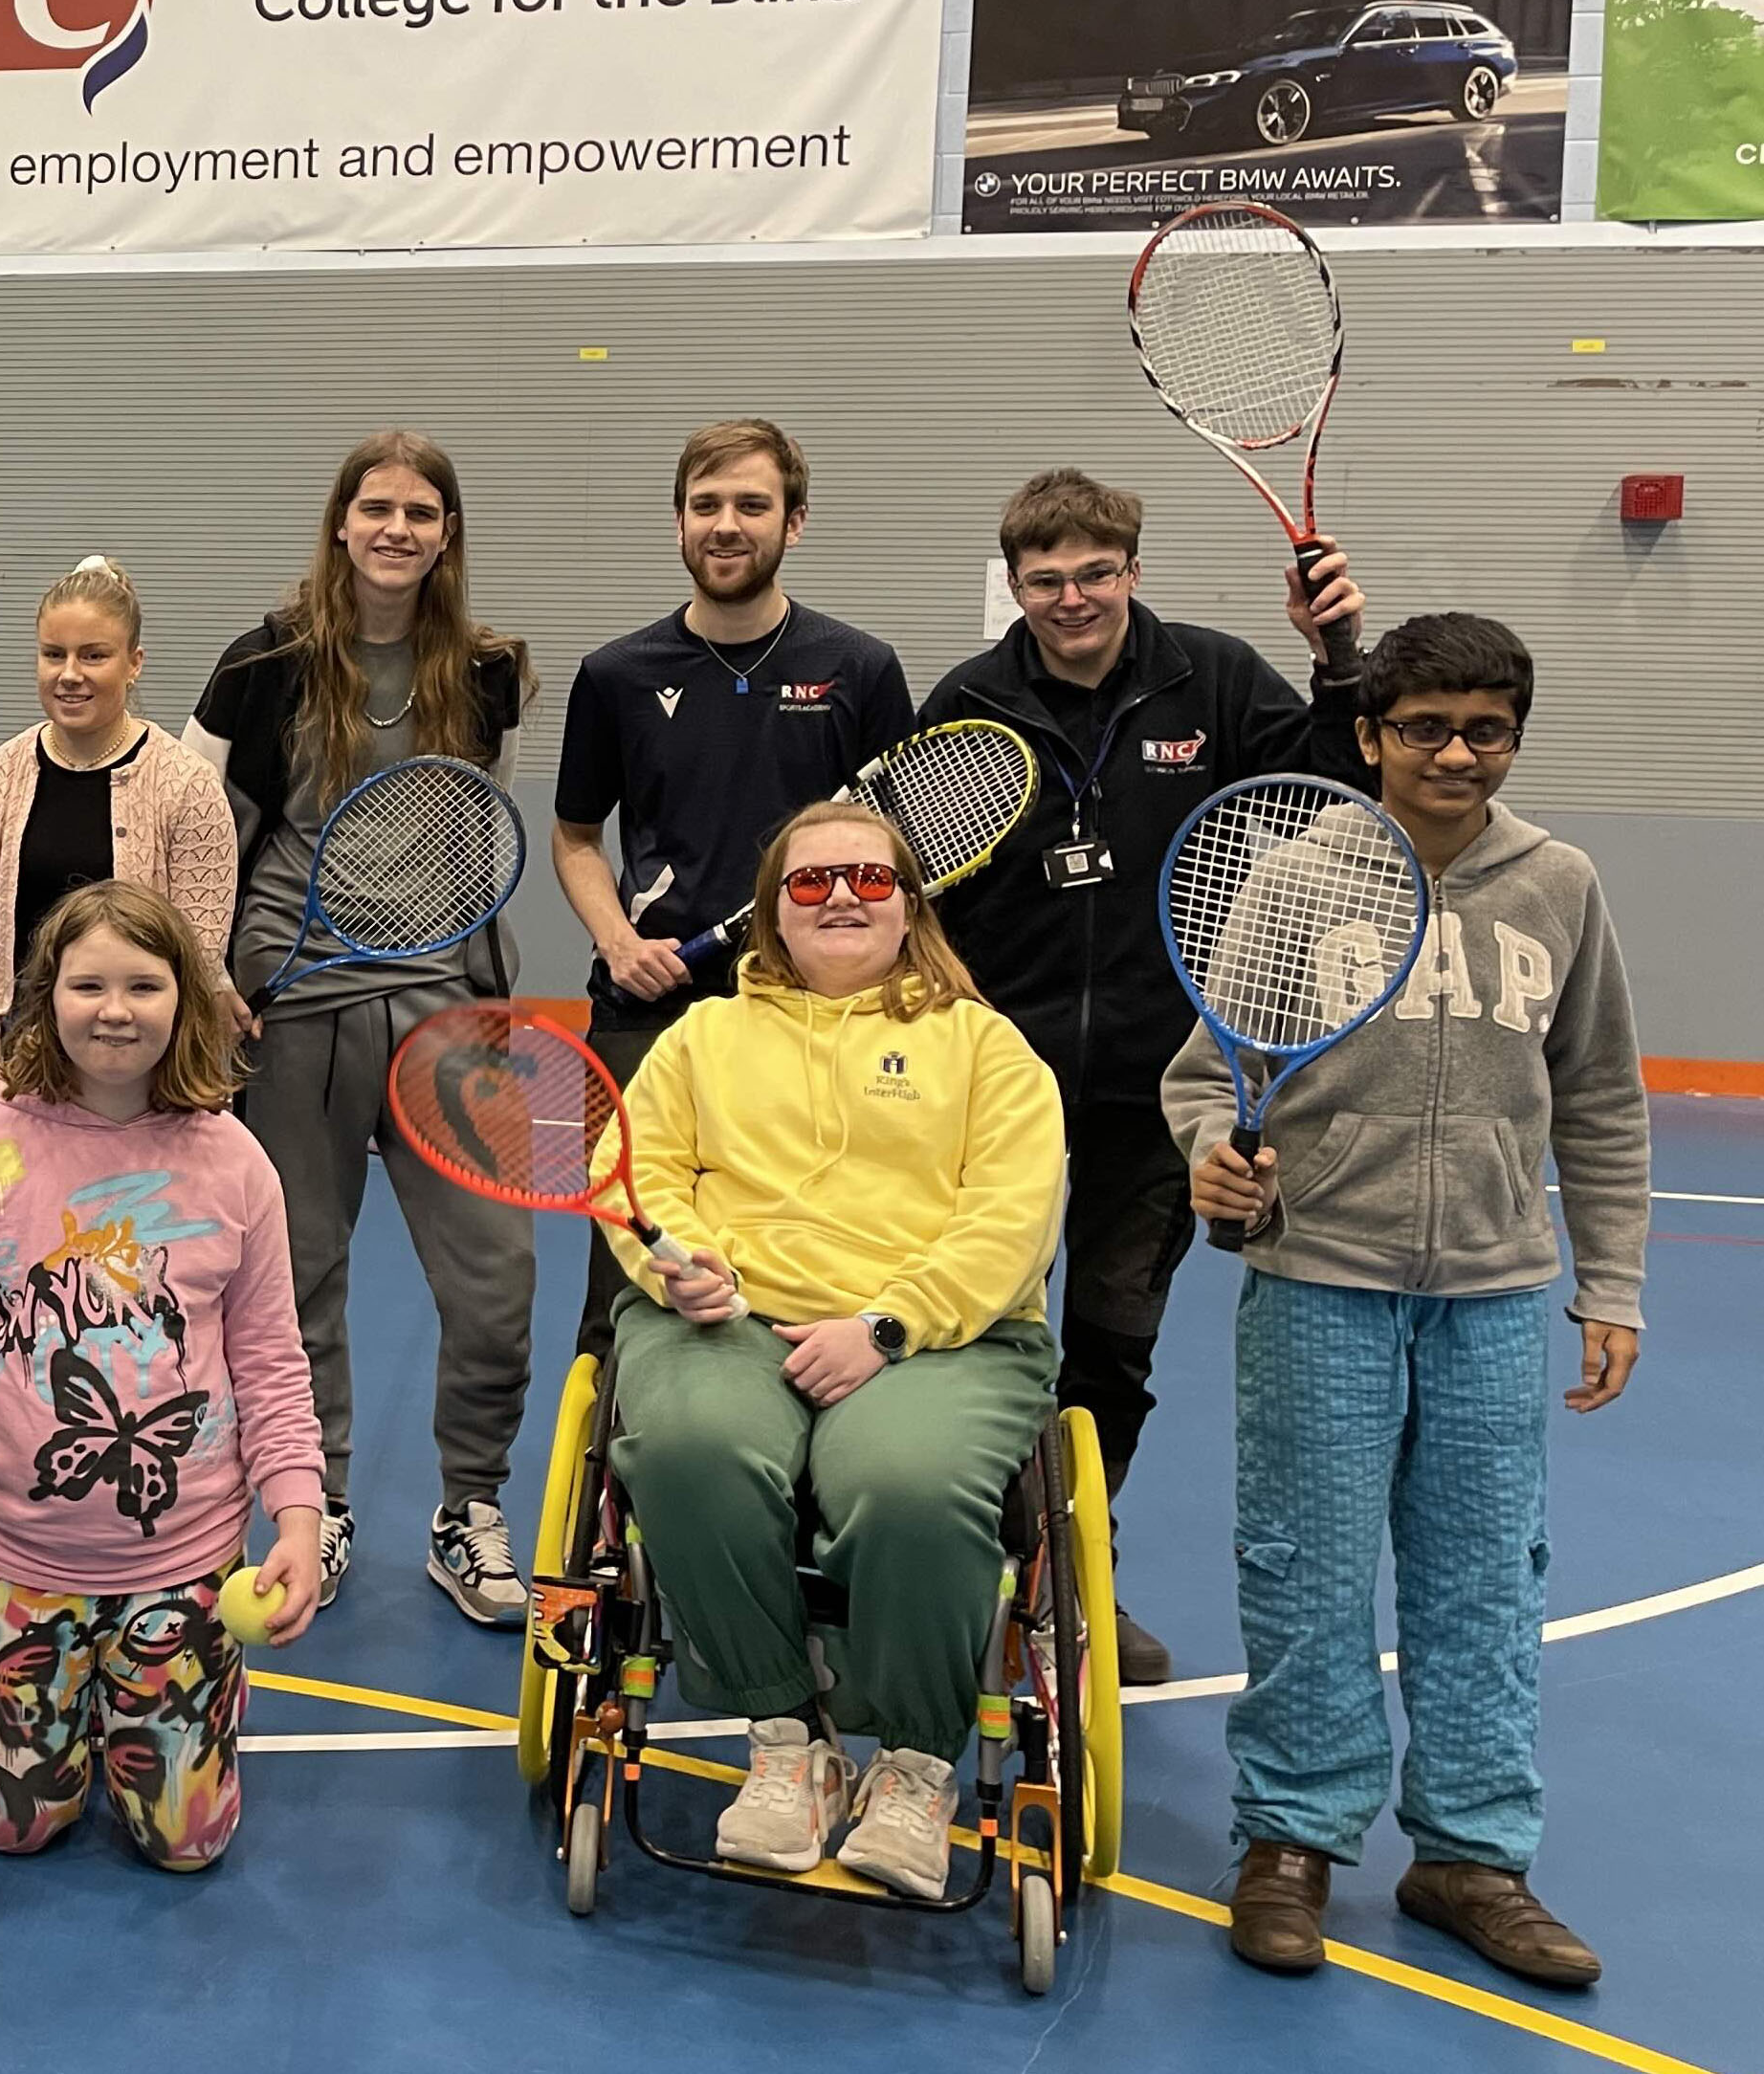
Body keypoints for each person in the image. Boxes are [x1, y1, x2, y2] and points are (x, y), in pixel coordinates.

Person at [1169, 614, 1646, 1992]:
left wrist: (1609, 1278)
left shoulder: (1559, 883)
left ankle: (1470, 1855)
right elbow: (1211, 1070)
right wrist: (1211, 1155)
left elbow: (1602, 1096)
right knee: (1304, 1568)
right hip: (1319, 1274)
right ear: (1370, 737)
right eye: (1425, 726)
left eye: (1485, 728)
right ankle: (1293, 1841)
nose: (1455, 751)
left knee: (1487, 1578)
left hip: (1497, 1291)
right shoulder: (1289, 878)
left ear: (1513, 737)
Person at [914, 466, 1368, 1684]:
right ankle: (972, 1562)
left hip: (1159, 1089)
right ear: (1014, 586)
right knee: (974, 1330)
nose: (1073, 597)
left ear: (1133, 569)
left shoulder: (1211, 679)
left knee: (1112, 1345)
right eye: (1046, 579)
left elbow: (1336, 797)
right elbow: (920, 885)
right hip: (994, 1088)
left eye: (1095, 573)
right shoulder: (967, 703)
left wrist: (1340, 658)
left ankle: (1072, 1569)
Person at [606, 802, 1064, 1899]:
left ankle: (912, 1764)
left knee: (904, 1479)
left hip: (938, 1337)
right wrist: (680, 1262)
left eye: (867, 878)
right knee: (689, 1443)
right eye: (809, 885)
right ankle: (782, 1736)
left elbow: (1009, 1222)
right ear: (771, 916)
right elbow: (638, 1173)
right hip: (726, 1320)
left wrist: (889, 1325)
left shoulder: (987, 1047)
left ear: (910, 906)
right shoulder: (703, 1039)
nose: (843, 897)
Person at [0, 879, 321, 1873]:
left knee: (187, 1843)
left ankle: (184, 1699)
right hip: (14, 1553)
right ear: (46, 997)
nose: (116, 1008)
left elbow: (268, 1359)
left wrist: (296, 1516)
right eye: (88, 983)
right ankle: (66, 1713)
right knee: (17, 1829)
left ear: (187, 1000)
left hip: (186, 1557)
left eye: (144, 983)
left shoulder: (236, 1163)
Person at [187, 430, 536, 1624]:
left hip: (451, 1011)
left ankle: (469, 1508)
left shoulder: (487, 671)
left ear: (448, 534)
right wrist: (207, 974)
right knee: (300, 1281)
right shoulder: (263, 663)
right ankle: (315, 1506)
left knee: (497, 1279)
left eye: (421, 512)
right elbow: (197, 831)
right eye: (376, 507)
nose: (397, 528)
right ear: (341, 522)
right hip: (300, 1004)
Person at [0, 557, 237, 1641]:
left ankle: (156, 1527)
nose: (70, 672)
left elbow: (190, 957)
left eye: (93, 654)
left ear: (135, 663)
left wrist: (147, 1080)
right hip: (15, 1091)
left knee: (117, 1316)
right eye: (53, 653)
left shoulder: (188, 789)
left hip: (137, 1096)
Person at [550, 418, 912, 1361]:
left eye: (752, 503)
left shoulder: (862, 670)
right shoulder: (615, 674)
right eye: (705, 504)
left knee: (807, 1259)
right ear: (678, 522)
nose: (726, 524)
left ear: (794, 523)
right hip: (649, 1011)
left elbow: (897, 854)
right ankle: (608, 1489)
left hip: (816, 1011)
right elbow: (578, 838)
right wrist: (618, 943)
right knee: (624, 1284)